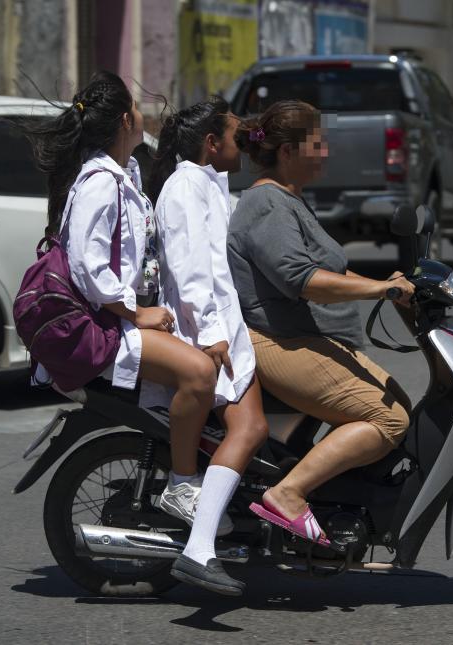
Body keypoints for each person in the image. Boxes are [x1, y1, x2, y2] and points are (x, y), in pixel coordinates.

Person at [17, 71, 218, 547]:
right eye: (137, 105)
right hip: (104, 327)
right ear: (126, 118)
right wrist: (135, 313)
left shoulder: (121, 175)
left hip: (116, 319)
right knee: (199, 375)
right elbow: (88, 267)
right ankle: (184, 485)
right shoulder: (100, 183)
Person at [227, 100, 415, 545]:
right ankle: (288, 493)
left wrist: (385, 284)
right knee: (388, 420)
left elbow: (327, 269)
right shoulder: (268, 204)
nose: (326, 151)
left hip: (300, 336)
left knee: (397, 402)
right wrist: (378, 291)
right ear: (290, 151)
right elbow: (301, 278)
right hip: (275, 340)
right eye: (318, 142)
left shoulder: (288, 200)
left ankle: (338, 507)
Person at [145, 96, 268, 595]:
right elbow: (190, 269)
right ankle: (197, 545)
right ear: (212, 143)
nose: (245, 143)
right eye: (238, 135)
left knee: (256, 428)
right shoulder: (182, 189)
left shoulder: (209, 185)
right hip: (208, 331)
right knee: (252, 426)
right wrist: (212, 333)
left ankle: (218, 519)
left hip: (227, 326)